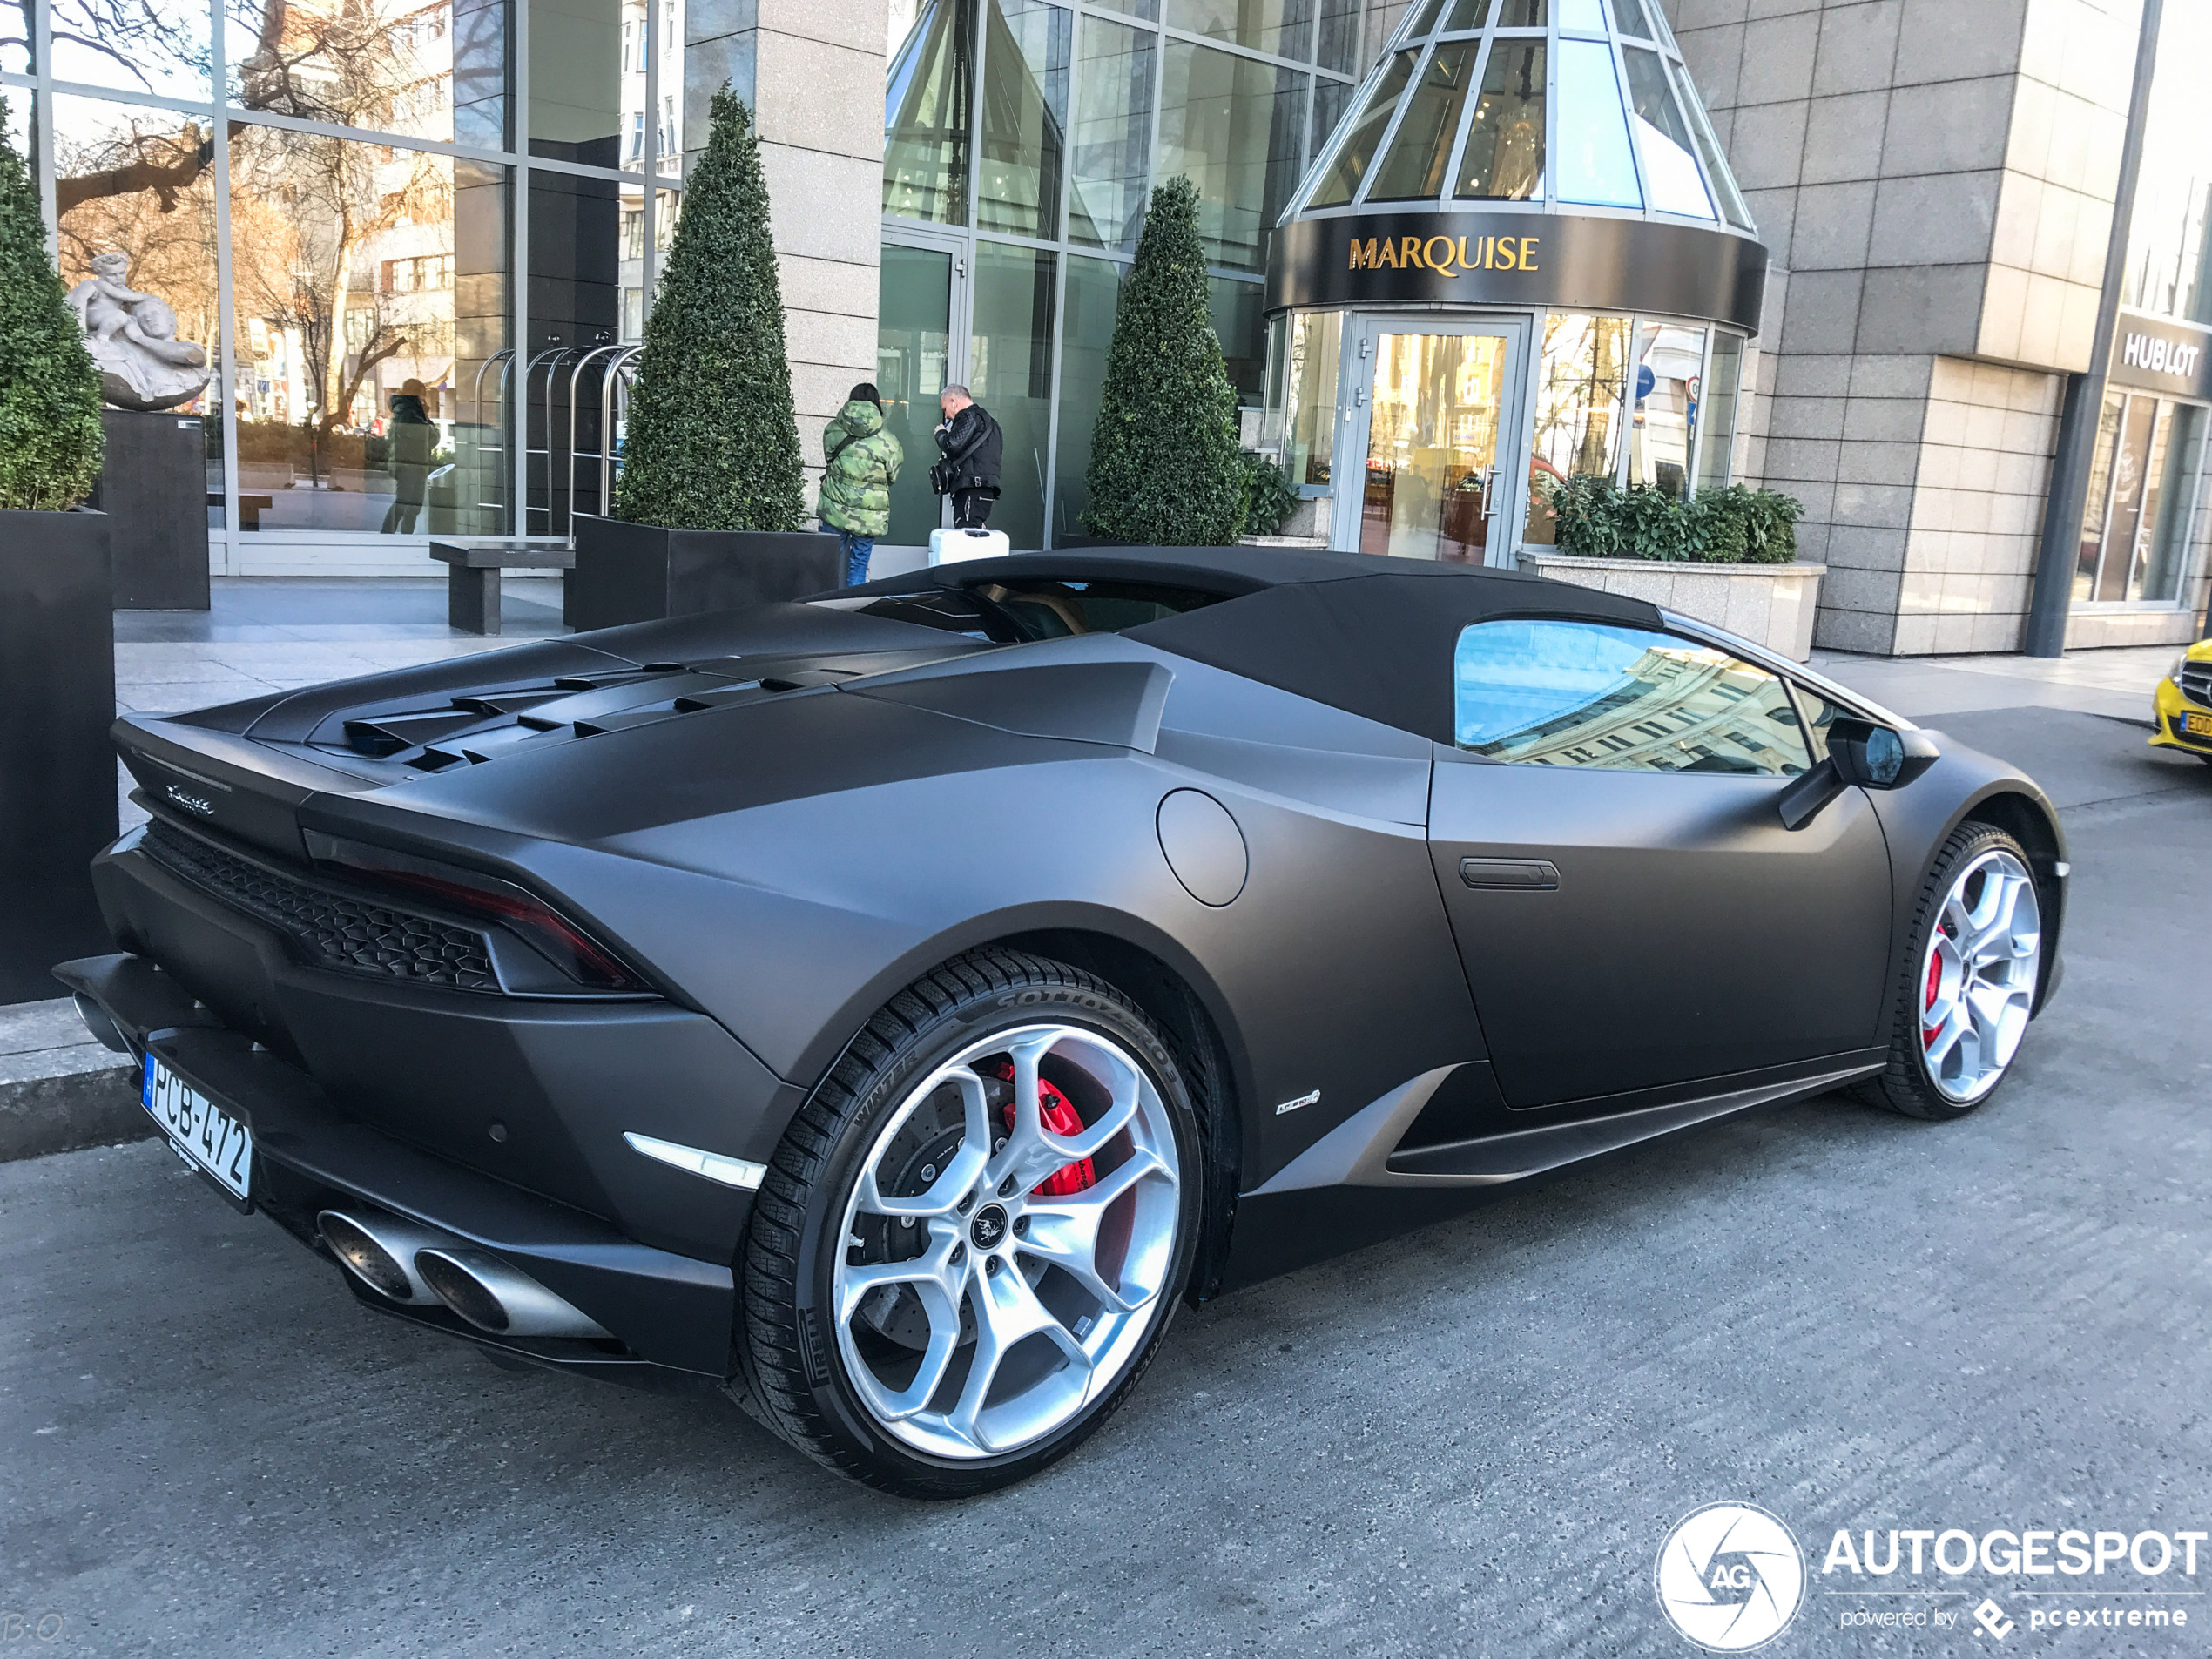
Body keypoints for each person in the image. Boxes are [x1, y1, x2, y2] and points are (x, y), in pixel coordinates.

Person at [818, 382, 903, 585]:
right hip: (868, 515)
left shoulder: (833, 431)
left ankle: (823, 609)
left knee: (827, 565)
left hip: (834, 508)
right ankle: (851, 613)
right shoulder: (889, 442)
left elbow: (829, 459)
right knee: (858, 567)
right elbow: (891, 476)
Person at [930, 385, 1002, 531]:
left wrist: (941, 434)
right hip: (985, 488)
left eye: (945, 409)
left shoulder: (968, 415)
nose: (946, 416)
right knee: (975, 532)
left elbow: (952, 444)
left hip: (971, 488)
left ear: (953, 402)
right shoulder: (992, 424)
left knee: (967, 536)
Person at [381, 380, 436, 535]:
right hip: (408, 464)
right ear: (415, 394)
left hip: (417, 463)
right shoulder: (405, 411)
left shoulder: (414, 412)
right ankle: (387, 534)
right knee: (404, 502)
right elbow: (425, 435)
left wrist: (426, 419)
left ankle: (405, 537)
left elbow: (432, 437)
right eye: (422, 396)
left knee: (414, 505)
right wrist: (426, 420)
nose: (423, 400)